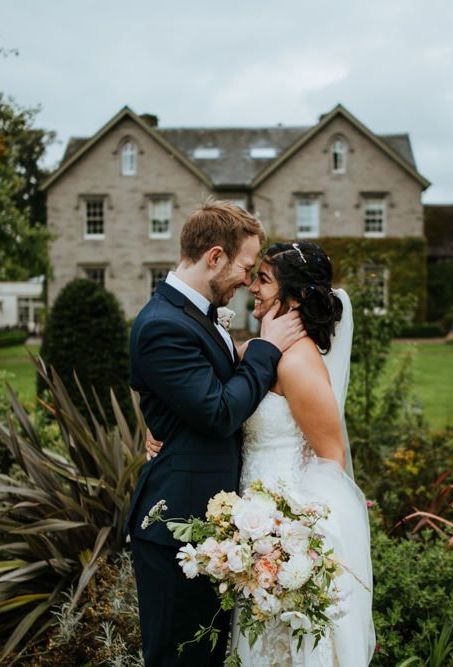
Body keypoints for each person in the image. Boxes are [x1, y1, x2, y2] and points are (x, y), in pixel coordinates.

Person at [147, 240, 376, 666]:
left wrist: (290, 536)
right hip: (246, 524)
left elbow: (332, 457)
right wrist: (158, 430)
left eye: (264, 280)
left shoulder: (300, 363)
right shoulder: (257, 351)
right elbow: (208, 399)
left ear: (297, 297)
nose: (252, 286)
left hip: (280, 534)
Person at [127, 200, 305, 667]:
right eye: (246, 267)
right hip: (175, 531)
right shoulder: (164, 325)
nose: (248, 281)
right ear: (215, 257)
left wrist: (243, 350)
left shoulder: (193, 315)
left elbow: (202, 387)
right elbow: (220, 411)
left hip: (207, 531)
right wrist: (265, 349)